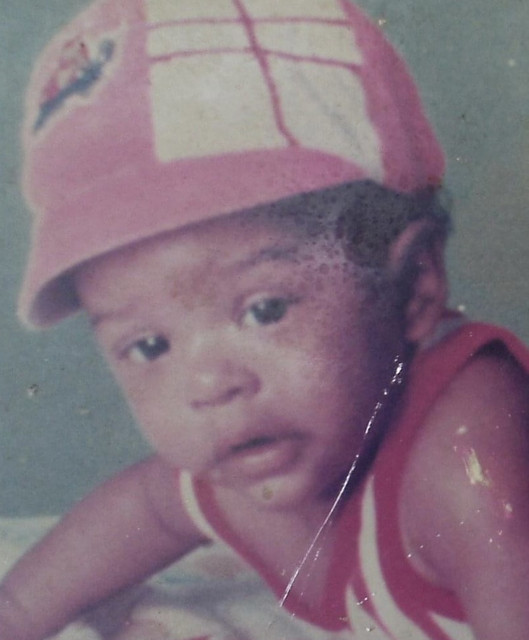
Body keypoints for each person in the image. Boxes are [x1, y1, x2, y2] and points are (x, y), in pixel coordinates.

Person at [2, 0, 529, 638]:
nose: (209, 384)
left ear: (415, 286)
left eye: (265, 310)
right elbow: (148, 507)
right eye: (149, 345)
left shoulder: (469, 463)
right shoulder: (260, 450)